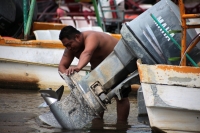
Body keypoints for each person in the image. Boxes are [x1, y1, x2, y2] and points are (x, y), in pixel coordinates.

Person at [58, 25, 130, 121]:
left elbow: (87, 53)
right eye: (66, 45)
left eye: (69, 44)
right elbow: (61, 66)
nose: (68, 48)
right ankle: (97, 126)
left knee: (121, 97)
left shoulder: (92, 36)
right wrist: (67, 75)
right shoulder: (71, 48)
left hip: (117, 64)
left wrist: (78, 67)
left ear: (77, 37)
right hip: (97, 70)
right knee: (94, 99)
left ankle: (121, 126)